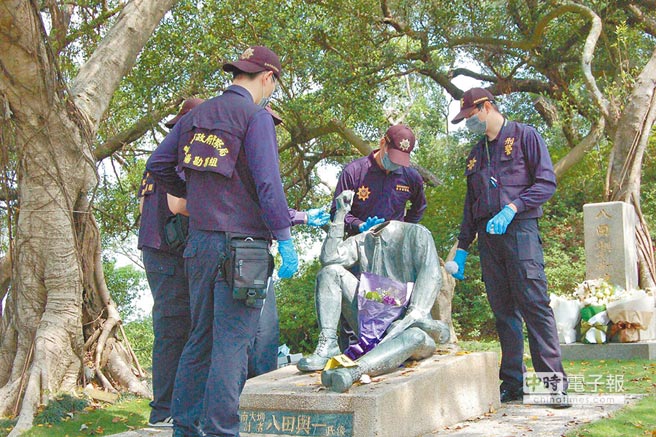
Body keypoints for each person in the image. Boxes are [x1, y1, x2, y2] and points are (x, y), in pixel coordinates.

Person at [146, 45, 298, 437]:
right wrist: (284, 237)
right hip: (245, 249)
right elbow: (268, 185)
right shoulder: (256, 117)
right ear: (267, 77)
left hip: (199, 244)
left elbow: (157, 164)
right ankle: (221, 431)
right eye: (274, 84)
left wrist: (194, 194)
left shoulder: (195, 116)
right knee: (233, 344)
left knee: (200, 338)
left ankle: (185, 428)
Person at [450, 87, 568, 405]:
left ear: (486, 107)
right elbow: (470, 206)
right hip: (489, 239)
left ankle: (553, 385)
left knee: (535, 306)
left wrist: (514, 207)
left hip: (521, 232)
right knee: (503, 312)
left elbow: (546, 183)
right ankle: (514, 382)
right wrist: (462, 247)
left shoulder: (525, 136)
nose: (469, 123)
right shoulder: (475, 154)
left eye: (471, 116)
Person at [297, 190, 449, 393]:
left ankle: (354, 371)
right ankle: (329, 343)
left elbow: (431, 276)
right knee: (330, 272)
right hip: (369, 322)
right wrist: (340, 215)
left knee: (416, 337)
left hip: (406, 326)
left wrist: (412, 315)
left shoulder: (417, 234)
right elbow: (330, 259)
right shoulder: (362, 240)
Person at [138, 97, 204, 428]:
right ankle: (165, 409)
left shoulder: (157, 158)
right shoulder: (181, 154)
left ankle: (168, 406)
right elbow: (179, 204)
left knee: (170, 329)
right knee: (176, 331)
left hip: (155, 250)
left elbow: (143, 208)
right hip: (170, 253)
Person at [330, 124, 427, 237]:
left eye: (400, 160)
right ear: (382, 143)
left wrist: (403, 229)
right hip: (358, 241)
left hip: (393, 243)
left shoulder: (411, 177)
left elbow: (419, 208)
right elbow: (336, 212)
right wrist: (359, 225)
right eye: (393, 157)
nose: (395, 163)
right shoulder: (354, 171)